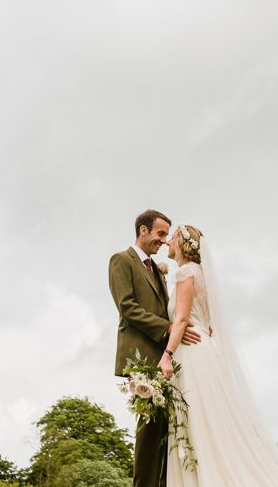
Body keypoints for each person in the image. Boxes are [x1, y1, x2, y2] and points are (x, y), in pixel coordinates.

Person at [159, 224, 278, 486]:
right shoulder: (201, 274)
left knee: (197, 421)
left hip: (191, 352)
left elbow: (181, 319)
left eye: (171, 238)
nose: (167, 242)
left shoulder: (184, 272)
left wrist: (167, 354)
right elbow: (210, 324)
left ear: (182, 244)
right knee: (211, 421)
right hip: (205, 349)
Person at [108, 209, 201, 487]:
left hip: (165, 358)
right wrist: (170, 328)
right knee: (148, 432)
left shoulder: (159, 269)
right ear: (143, 230)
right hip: (141, 357)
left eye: (166, 236)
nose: (163, 241)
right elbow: (127, 307)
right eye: (160, 234)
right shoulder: (121, 260)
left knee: (166, 431)